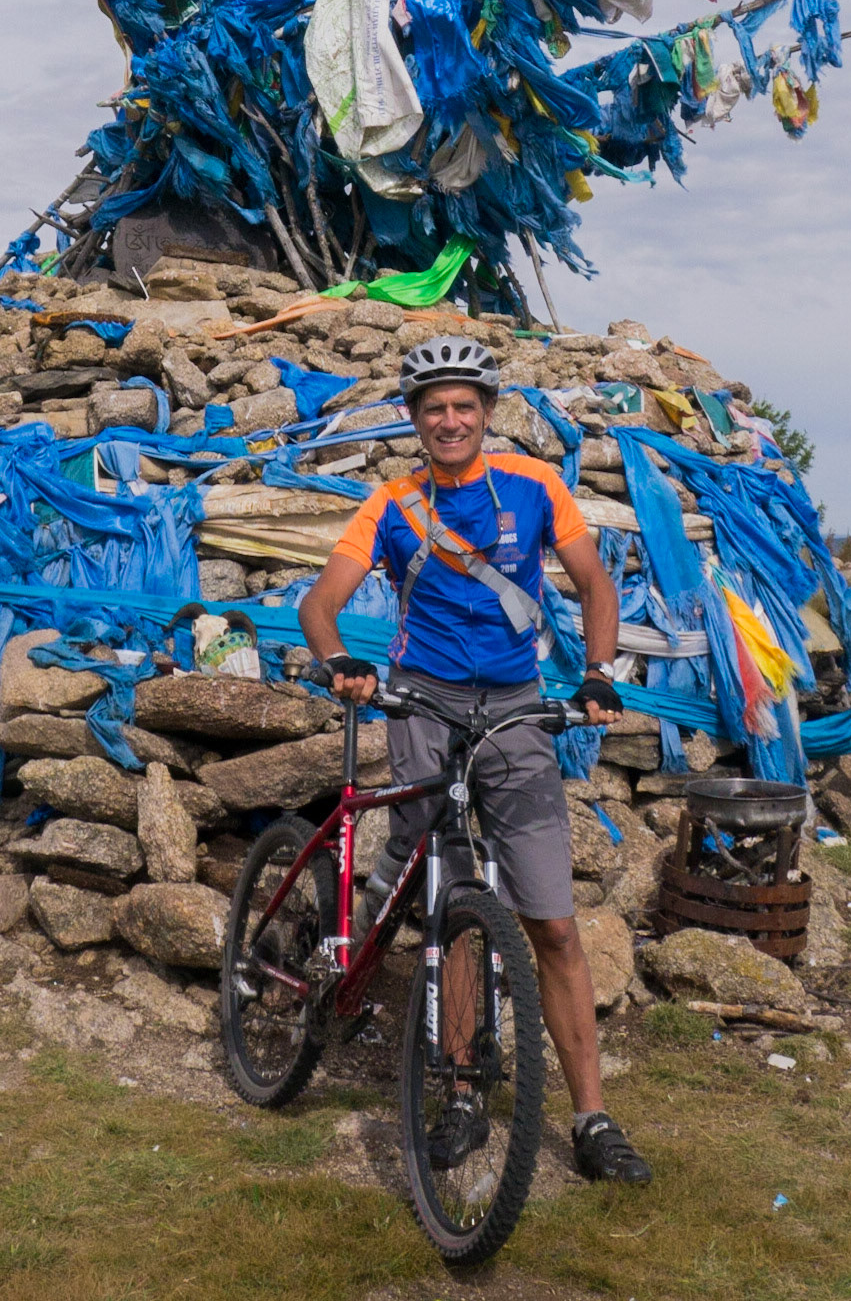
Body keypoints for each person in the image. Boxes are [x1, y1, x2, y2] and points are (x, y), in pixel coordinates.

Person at [298, 335, 652, 1186]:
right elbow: (322, 601)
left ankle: (592, 1118)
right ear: (415, 422)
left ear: (487, 415)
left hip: (518, 708)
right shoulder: (389, 502)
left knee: (555, 924)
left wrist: (597, 672)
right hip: (423, 701)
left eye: (464, 407)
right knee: (455, 901)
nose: (450, 420)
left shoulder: (535, 488)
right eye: (433, 409)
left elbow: (595, 585)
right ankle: (460, 1091)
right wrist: (339, 658)